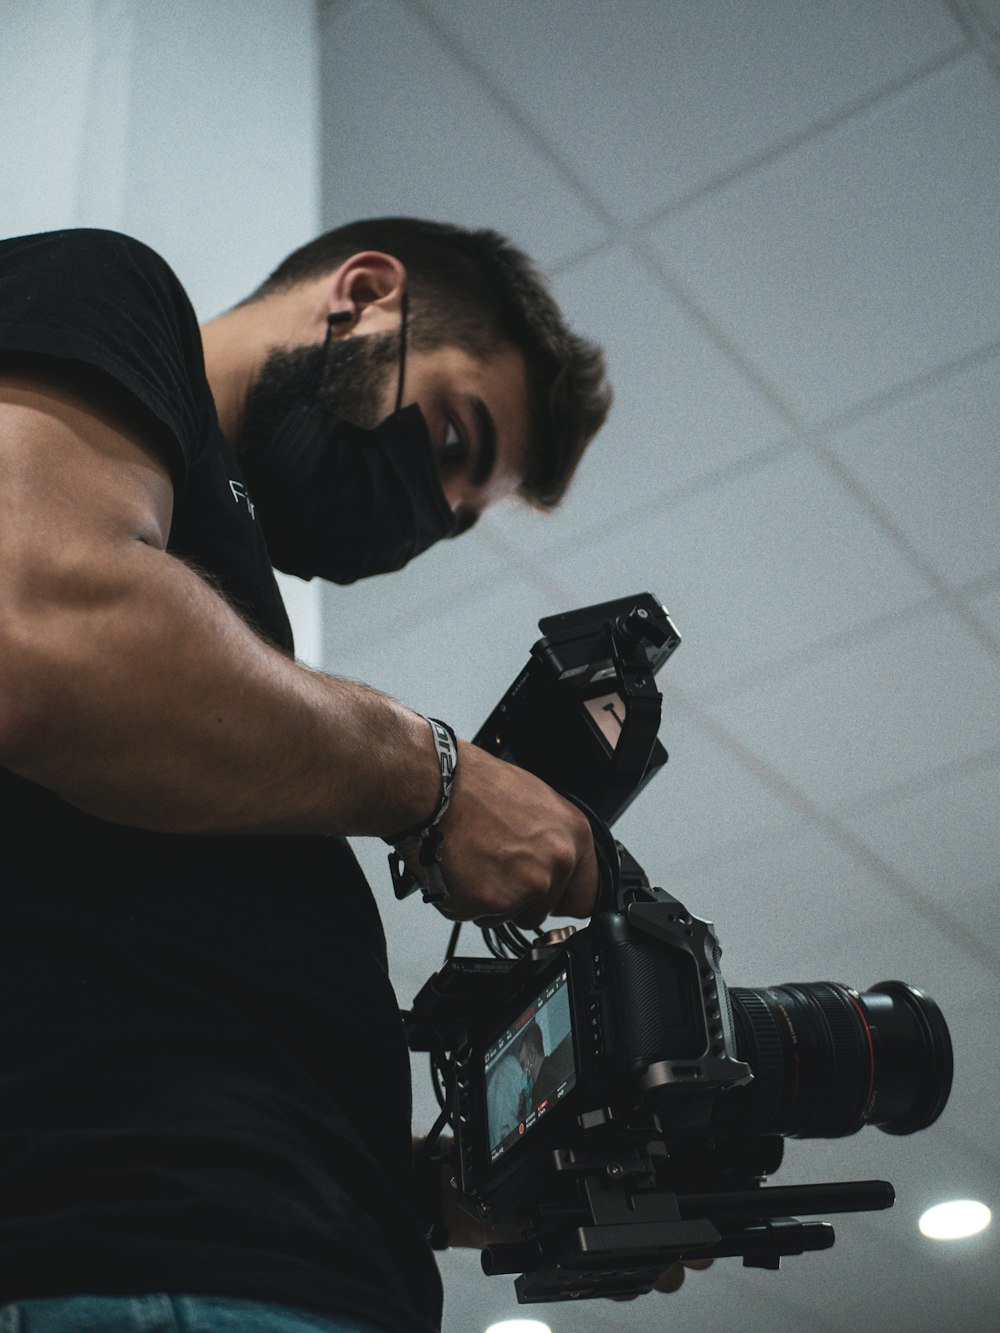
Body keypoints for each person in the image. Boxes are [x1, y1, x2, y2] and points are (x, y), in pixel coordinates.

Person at [0, 218, 703, 1333]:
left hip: (281, 1268)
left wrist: (451, 1192)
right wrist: (437, 779)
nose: (427, 516)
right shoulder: (107, 286)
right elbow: (36, 630)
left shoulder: (228, 621)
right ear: (365, 297)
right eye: (456, 440)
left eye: (460, 517)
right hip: (137, 1261)